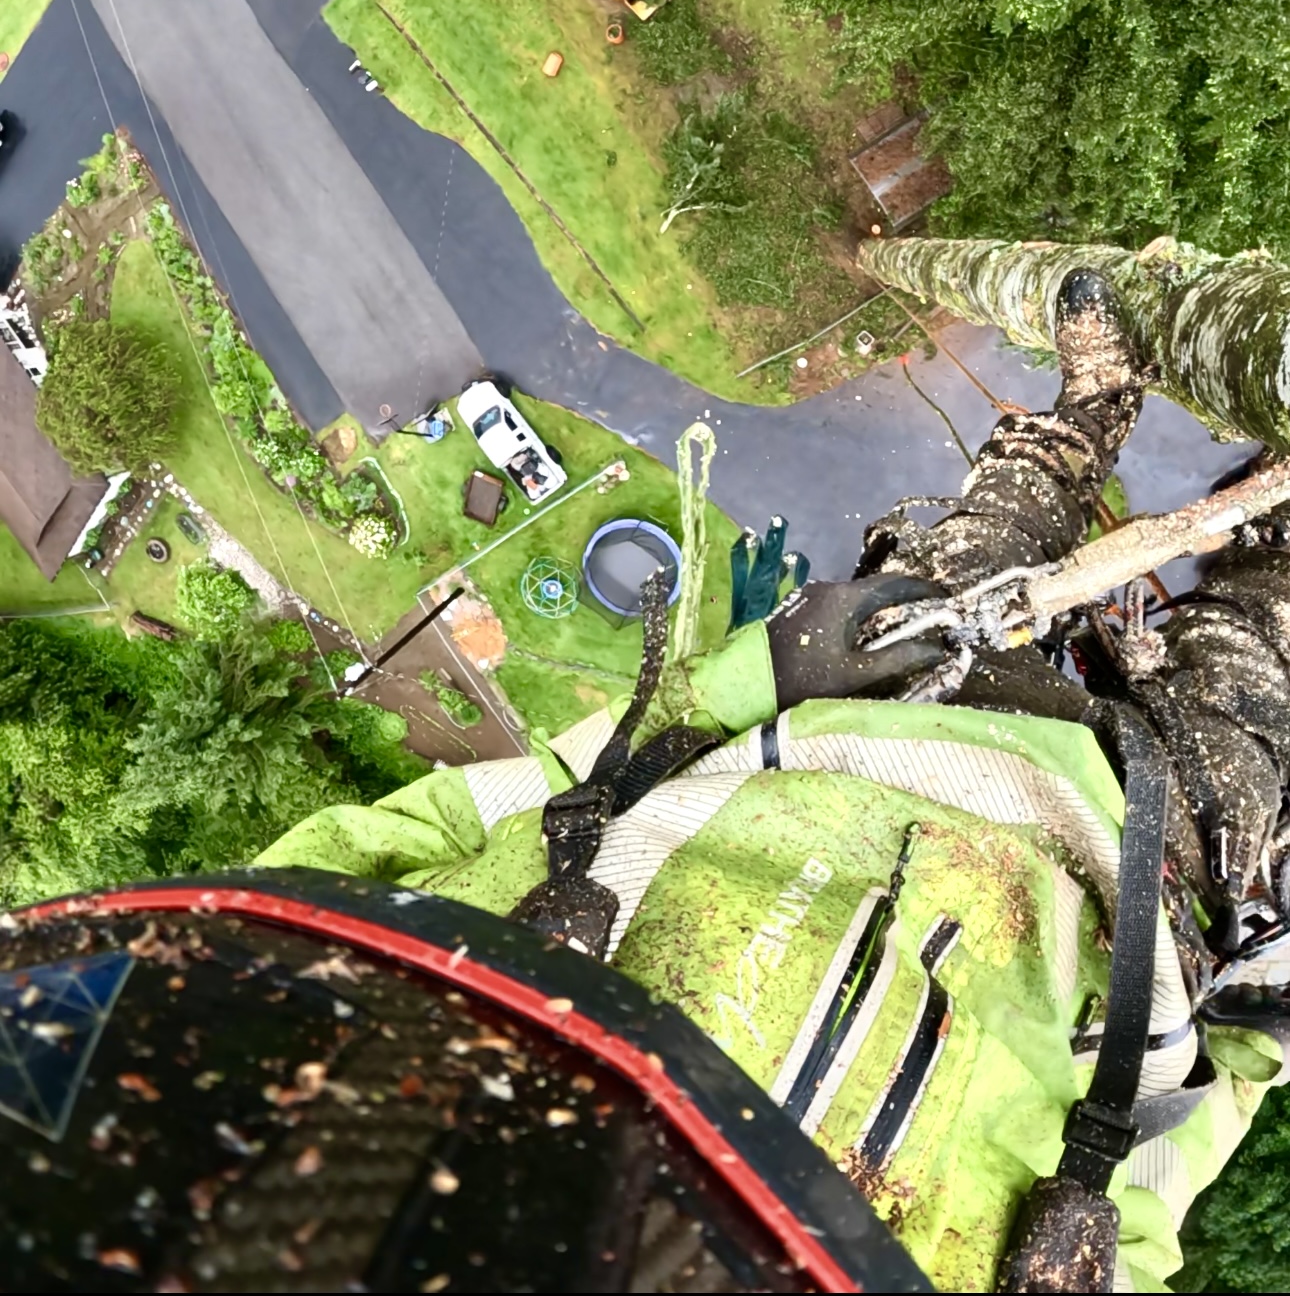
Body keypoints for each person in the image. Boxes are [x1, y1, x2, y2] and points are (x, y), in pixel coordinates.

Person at [2, 271, 1287, 1293]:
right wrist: (1237, 1041)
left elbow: (498, 811)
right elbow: (1149, 1202)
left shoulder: (265, 1040)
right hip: (1142, 882)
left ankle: (1089, 407)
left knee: (982, 538)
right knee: (1260, 649)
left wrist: (764, 673)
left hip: (866, 714)